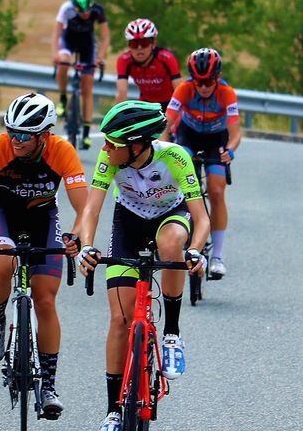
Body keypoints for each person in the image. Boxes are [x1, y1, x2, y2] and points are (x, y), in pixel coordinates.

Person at [74, 100, 209, 431]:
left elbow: (202, 217)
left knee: (172, 243)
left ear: (137, 145)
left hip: (170, 218)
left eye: (113, 143)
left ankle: (172, 335)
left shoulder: (175, 157)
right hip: (129, 224)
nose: (105, 148)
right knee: (120, 319)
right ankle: (112, 411)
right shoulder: (111, 160)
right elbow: (91, 209)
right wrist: (87, 246)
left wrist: (195, 251)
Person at [0, 92, 87, 418]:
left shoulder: (61, 150)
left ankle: (48, 384)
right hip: (2, 213)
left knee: (45, 299)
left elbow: (83, 206)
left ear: (44, 135)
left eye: (24, 135)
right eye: (11, 131)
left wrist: (77, 236)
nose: (15, 140)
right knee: (3, 264)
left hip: (43, 218)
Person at [162, 47, 240, 278]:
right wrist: (164, 148)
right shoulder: (184, 89)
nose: (204, 87)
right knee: (179, 179)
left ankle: (217, 256)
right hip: (189, 136)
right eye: (199, 82)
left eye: (209, 82)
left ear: (217, 77)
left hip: (217, 140)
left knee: (216, 190)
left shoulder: (227, 93)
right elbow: (165, 125)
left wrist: (230, 151)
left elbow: (236, 134)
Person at [52, 0, 110, 149]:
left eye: (87, 10)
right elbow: (56, 33)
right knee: (63, 61)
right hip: (68, 40)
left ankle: (85, 132)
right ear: (74, 7)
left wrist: (100, 58)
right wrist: (55, 54)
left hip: (87, 44)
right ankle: (63, 98)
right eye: (81, 10)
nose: (85, 14)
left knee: (87, 86)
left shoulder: (98, 9)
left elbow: (105, 37)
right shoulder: (66, 9)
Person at [114, 18, 182, 109]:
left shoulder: (167, 58)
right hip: (146, 105)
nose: (139, 48)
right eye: (134, 43)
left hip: (170, 104)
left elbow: (179, 91)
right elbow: (121, 94)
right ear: (129, 45)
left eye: (144, 43)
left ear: (153, 43)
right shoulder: (124, 61)